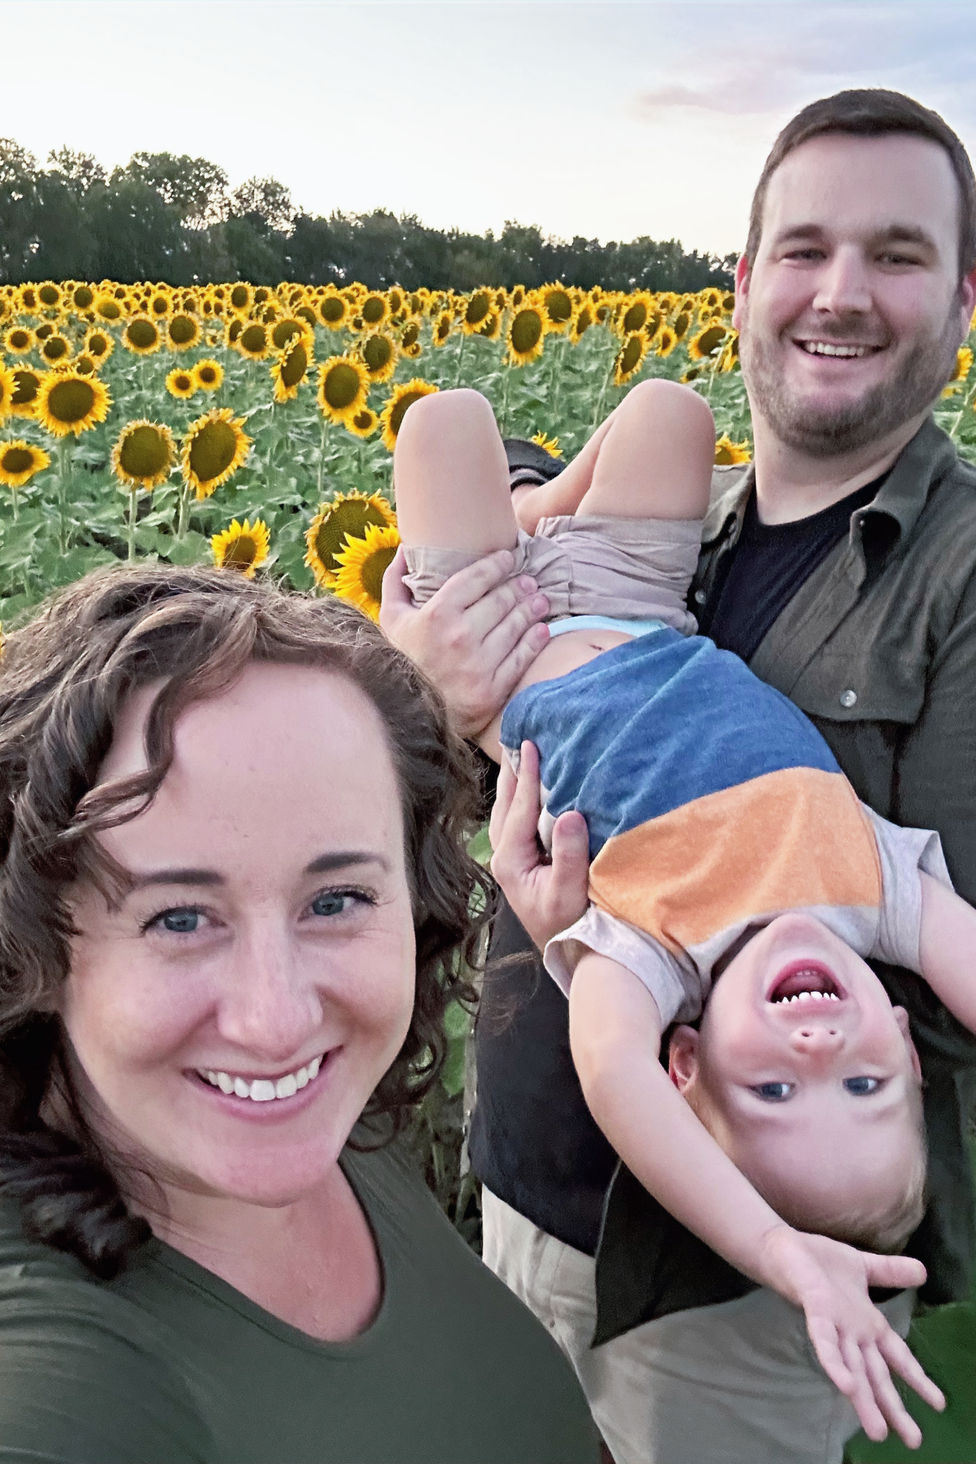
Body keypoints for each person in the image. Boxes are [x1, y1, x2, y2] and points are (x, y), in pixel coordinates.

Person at [380, 88, 976, 1464]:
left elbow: (940, 1033)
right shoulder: (692, 529)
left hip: (721, 1305)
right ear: (743, 285)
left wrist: (605, 954)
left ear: (960, 305)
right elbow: (505, 775)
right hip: (529, 1194)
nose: (840, 293)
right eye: (805, 249)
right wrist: (440, 692)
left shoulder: (958, 582)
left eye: (899, 255)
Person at [0, 564, 601, 1464]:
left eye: (335, 900)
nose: (276, 1020)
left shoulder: (338, 1119)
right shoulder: (68, 1393)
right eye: (179, 918)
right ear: (36, 945)